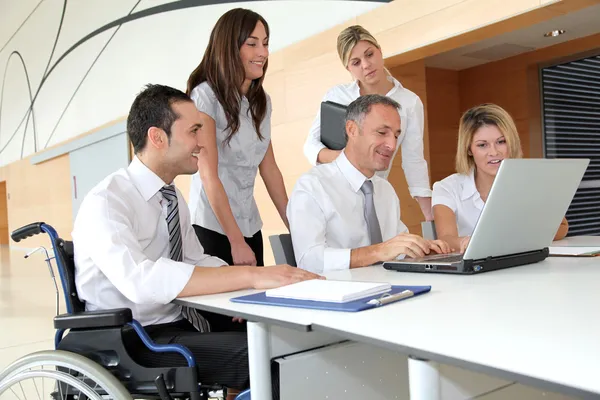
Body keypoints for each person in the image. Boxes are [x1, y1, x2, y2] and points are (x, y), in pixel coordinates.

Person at [71, 84, 320, 397]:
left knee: (286, 341)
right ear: (157, 138)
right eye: (194, 131)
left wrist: (243, 285)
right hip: (134, 339)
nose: (204, 142)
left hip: (176, 324)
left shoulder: (171, 196)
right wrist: (250, 274)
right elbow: (140, 281)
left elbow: (193, 258)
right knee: (268, 359)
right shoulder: (107, 202)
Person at [288, 94, 451, 274]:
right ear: (352, 130)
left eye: (396, 135)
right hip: (341, 295)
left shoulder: (385, 189)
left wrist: (423, 250)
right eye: (382, 133)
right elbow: (310, 261)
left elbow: (396, 249)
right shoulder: (312, 186)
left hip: (392, 291)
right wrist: (377, 252)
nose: (392, 145)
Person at [186, 8, 287, 267]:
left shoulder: (261, 102)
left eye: (265, 44)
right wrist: (235, 241)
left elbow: (271, 170)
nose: (262, 53)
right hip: (214, 229)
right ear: (229, 48)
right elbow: (210, 175)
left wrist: (295, 227)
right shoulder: (204, 97)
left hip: (250, 225)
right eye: (252, 44)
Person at [303, 25, 433, 221]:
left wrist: (430, 217)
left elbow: (413, 161)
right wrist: (348, 160)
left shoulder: (409, 102)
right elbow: (310, 147)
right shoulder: (337, 96)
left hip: (372, 194)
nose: (366, 65)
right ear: (348, 68)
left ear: (379, 51)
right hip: (329, 192)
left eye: (369, 54)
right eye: (356, 62)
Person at [432, 103, 569, 253]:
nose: (494, 152)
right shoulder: (446, 188)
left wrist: (514, 238)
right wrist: (466, 242)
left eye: (501, 142)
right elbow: (446, 238)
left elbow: (562, 227)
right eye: (482, 145)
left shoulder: (530, 181)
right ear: (469, 150)